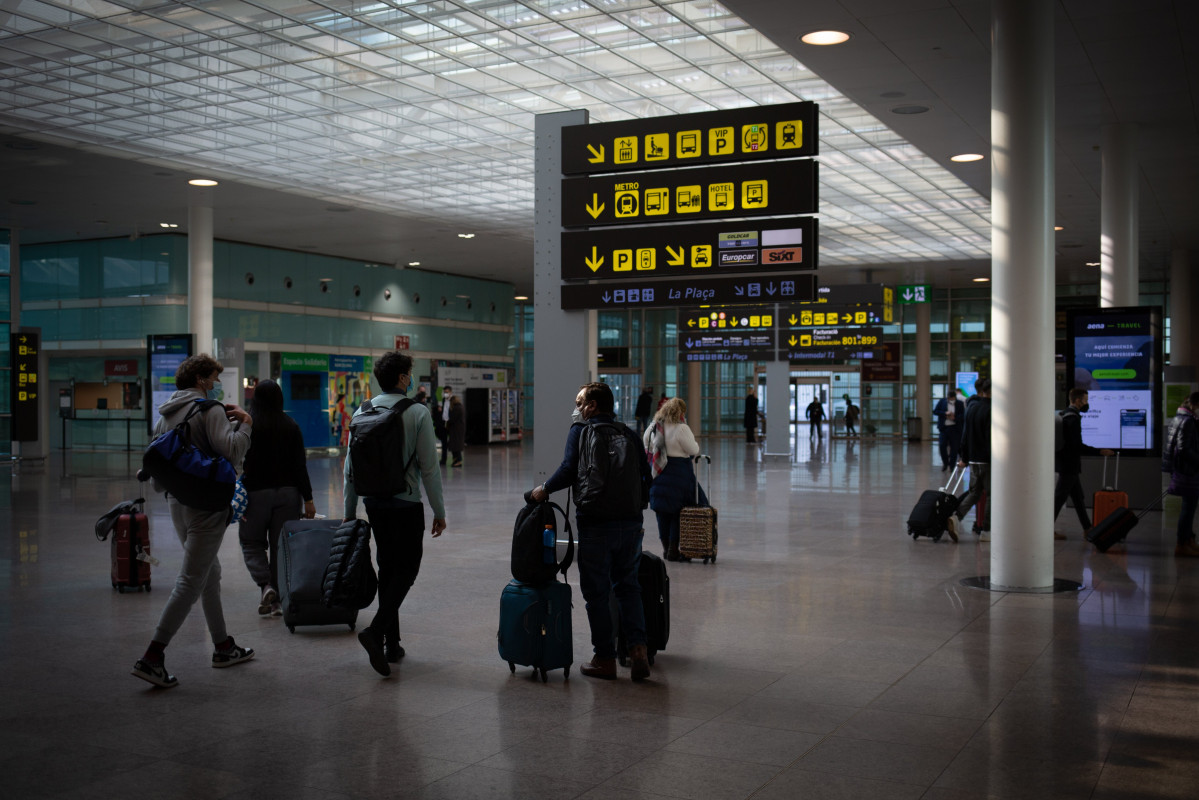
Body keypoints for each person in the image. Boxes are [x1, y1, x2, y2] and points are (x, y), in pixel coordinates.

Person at [131, 354, 255, 688]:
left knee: (209, 572)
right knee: (190, 579)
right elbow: (231, 452)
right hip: (206, 506)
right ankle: (153, 656)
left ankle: (223, 646)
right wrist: (246, 424)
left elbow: (159, 471)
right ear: (201, 379)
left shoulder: (166, 414)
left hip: (176, 503)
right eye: (213, 377)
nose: (216, 384)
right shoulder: (209, 409)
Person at [531, 383, 652, 682]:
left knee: (597, 593)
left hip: (596, 524)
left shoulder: (582, 432)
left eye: (579, 402)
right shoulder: (629, 433)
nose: (577, 408)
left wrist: (543, 490)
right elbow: (646, 476)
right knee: (628, 587)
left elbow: (568, 469)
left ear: (593, 406)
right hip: (631, 523)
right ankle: (638, 651)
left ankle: (605, 659)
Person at [343, 351, 446, 676]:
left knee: (388, 567)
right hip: (405, 503)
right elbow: (429, 468)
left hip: (374, 504)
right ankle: (376, 632)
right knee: (408, 569)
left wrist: (350, 511)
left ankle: (393, 643)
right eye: (410, 373)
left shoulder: (362, 411)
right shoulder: (417, 412)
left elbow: (349, 469)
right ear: (402, 378)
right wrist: (438, 510)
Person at [238, 379, 317, 616]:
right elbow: (299, 466)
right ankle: (276, 601)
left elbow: (234, 455)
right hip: (288, 494)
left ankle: (266, 586)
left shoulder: (248, 426)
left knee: (251, 542)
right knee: (280, 546)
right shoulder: (290, 425)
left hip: (255, 494)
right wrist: (309, 499)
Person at [644, 398, 702, 561]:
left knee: (662, 512)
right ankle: (673, 549)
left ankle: (665, 548)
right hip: (679, 472)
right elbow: (693, 449)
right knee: (677, 511)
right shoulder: (681, 428)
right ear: (681, 412)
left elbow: (646, 445)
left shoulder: (654, 426)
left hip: (658, 472)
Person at [1053, 388, 1114, 539]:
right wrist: (1099, 451)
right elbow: (1076, 445)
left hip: (1066, 463)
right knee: (1059, 498)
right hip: (1069, 464)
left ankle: (1087, 528)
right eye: (1086, 400)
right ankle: (1046, 529)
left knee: (1077, 497)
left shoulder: (1065, 414)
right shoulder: (1073, 419)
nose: (1087, 403)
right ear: (1078, 400)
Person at [949, 378, 991, 541]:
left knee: (974, 493)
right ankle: (986, 531)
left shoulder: (972, 408)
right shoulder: (991, 410)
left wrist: (965, 457)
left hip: (973, 459)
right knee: (990, 496)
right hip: (987, 460)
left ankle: (956, 517)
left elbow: (965, 435)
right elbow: (990, 438)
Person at [1164, 392, 1199, 557]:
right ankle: (1182, 543)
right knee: (1188, 507)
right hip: (1188, 470)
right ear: (1194, 405)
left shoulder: (1179, 417)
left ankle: (1189, 540)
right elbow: (1184, 448)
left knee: (1189, 506)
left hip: (1181, 468)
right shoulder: (1188, 421)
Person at [933, 388, 965, 471]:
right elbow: (935, 411)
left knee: (954, 448)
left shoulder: (960, 404)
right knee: (942, 446)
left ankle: (952, 466)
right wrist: (944, 413)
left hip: (955, 429)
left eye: (951, 398)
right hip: (944, 428)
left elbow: (963, 416)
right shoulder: (942, 402)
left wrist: (954, 418)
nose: (949, 400)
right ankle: (945, 463)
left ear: (954, 397)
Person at [447, 394, 465, 467]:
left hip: (455, 430)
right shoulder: (461, 407)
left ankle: (458, 460)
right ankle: (456, 459)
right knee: (457, 445)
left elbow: (452, 419)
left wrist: (447, 424)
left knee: (455, 445)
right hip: (460, 429)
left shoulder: (456, 408)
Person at [437, 385, 452, 465]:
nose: (445, 394)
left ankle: (456, 459)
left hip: (450, 423)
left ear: (450, 392)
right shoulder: (443, 400)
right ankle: (443, 459)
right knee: (444, 443)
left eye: (447, 392)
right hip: (444, 424)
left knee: (453, 442)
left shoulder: (453, 401)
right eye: (444, 392)